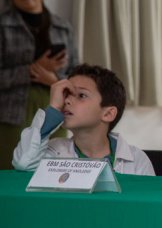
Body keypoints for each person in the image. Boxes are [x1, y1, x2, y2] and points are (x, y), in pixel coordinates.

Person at [1, 0, 79, 168]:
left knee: (51, 166)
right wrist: (32, 69)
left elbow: (76, 73)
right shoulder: (2, 25)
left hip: (54, 106)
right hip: (11, 112)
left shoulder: (63, 26)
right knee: (12, 166)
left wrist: (54, 79)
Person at [12, 64, 153, 175]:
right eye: (66, 94)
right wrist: (53, 108)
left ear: (108, 114)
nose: (66, 101)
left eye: (81, 95)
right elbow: (23, 162)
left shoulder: (137, 160)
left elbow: (147, 207)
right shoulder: (53, 152)